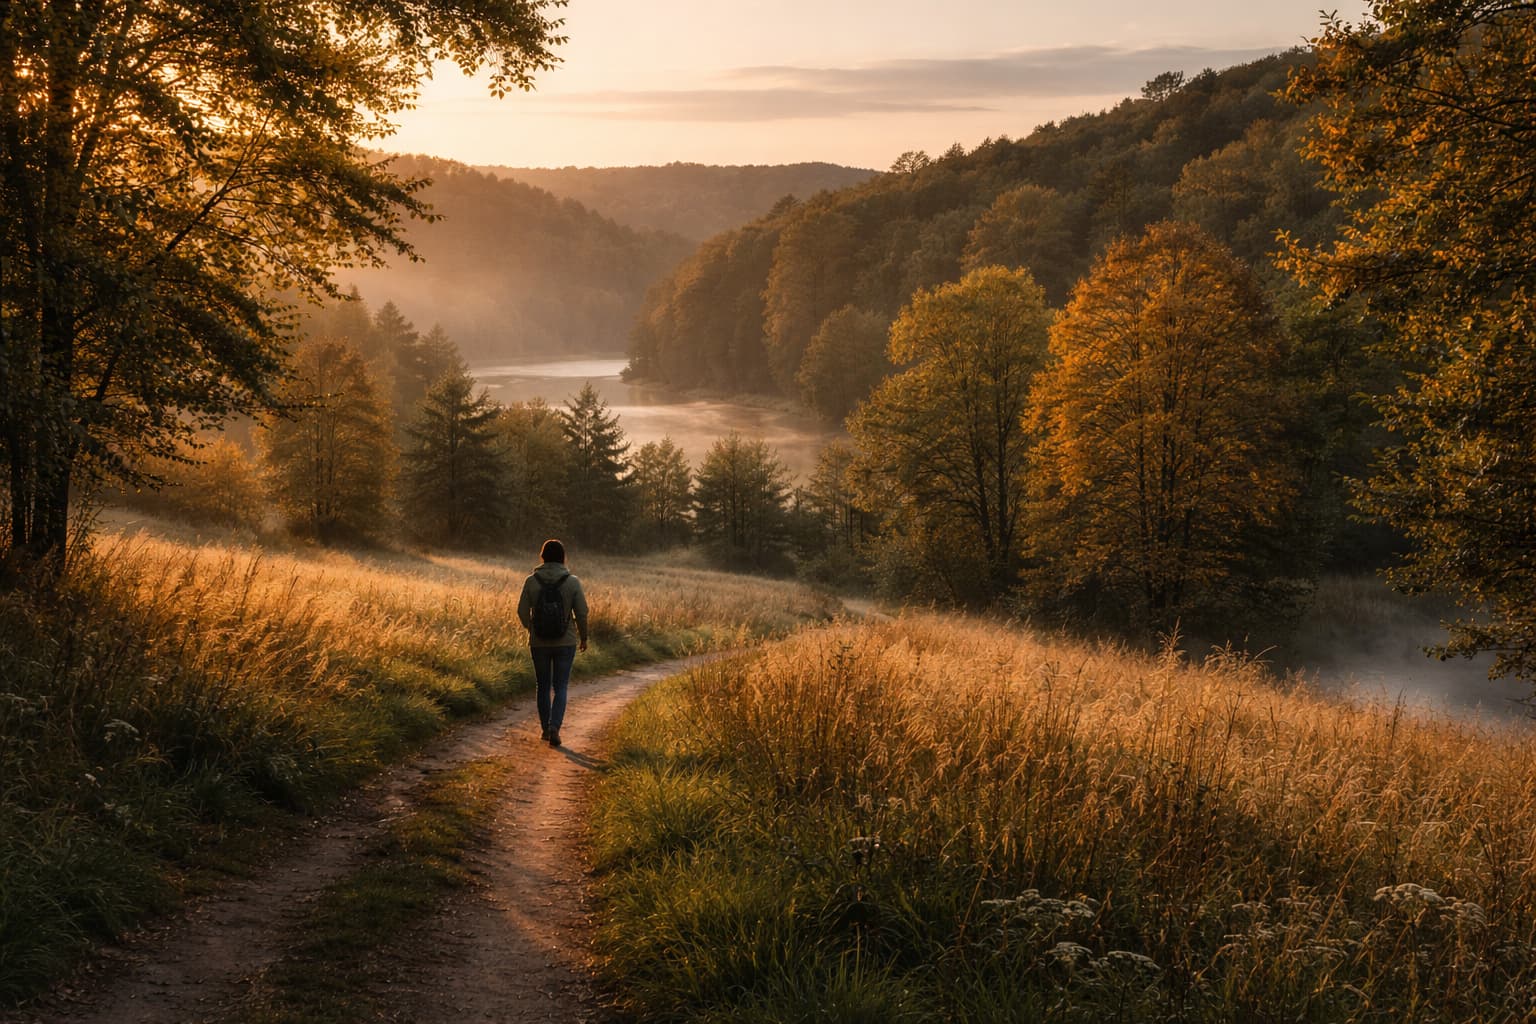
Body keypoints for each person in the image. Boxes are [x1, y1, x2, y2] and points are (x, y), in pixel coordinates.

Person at [517, 538, 589, 747]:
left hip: (538, 643)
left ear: (543, 556)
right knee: (561, 686)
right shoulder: (572, 581)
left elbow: (521, 611)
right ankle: (555, 726)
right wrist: (583, 637)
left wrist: (532, 628)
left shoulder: (531, 581)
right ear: (562, 557)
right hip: (565, 642)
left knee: (542, 685)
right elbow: (582, 613)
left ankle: (545, 730)